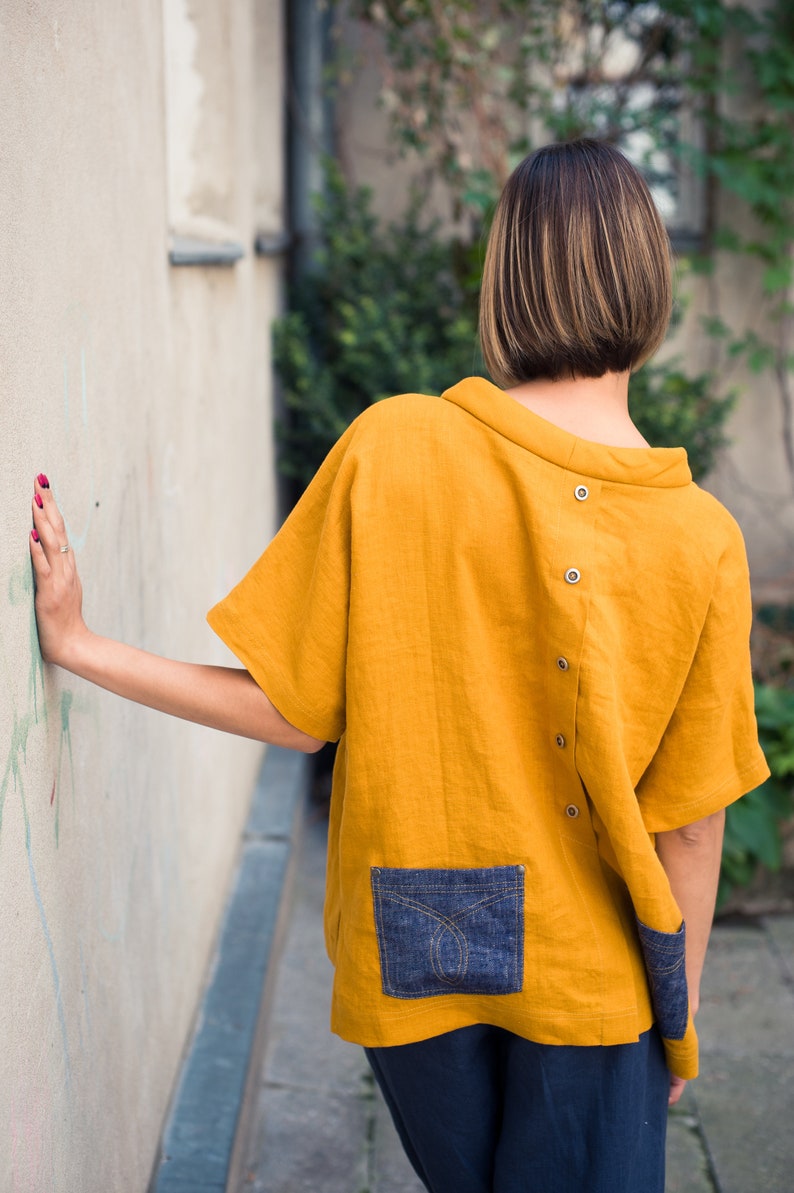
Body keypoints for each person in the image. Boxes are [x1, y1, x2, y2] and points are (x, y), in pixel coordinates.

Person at [30, 140, 768, 1193]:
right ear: (650, 282)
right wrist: (675, 1024)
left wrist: (81, 645)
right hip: (595, 987)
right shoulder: (700, 538)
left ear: (504, 279)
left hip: (417, 948)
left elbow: (293, 715)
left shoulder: (394, 445)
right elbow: (688, 824)